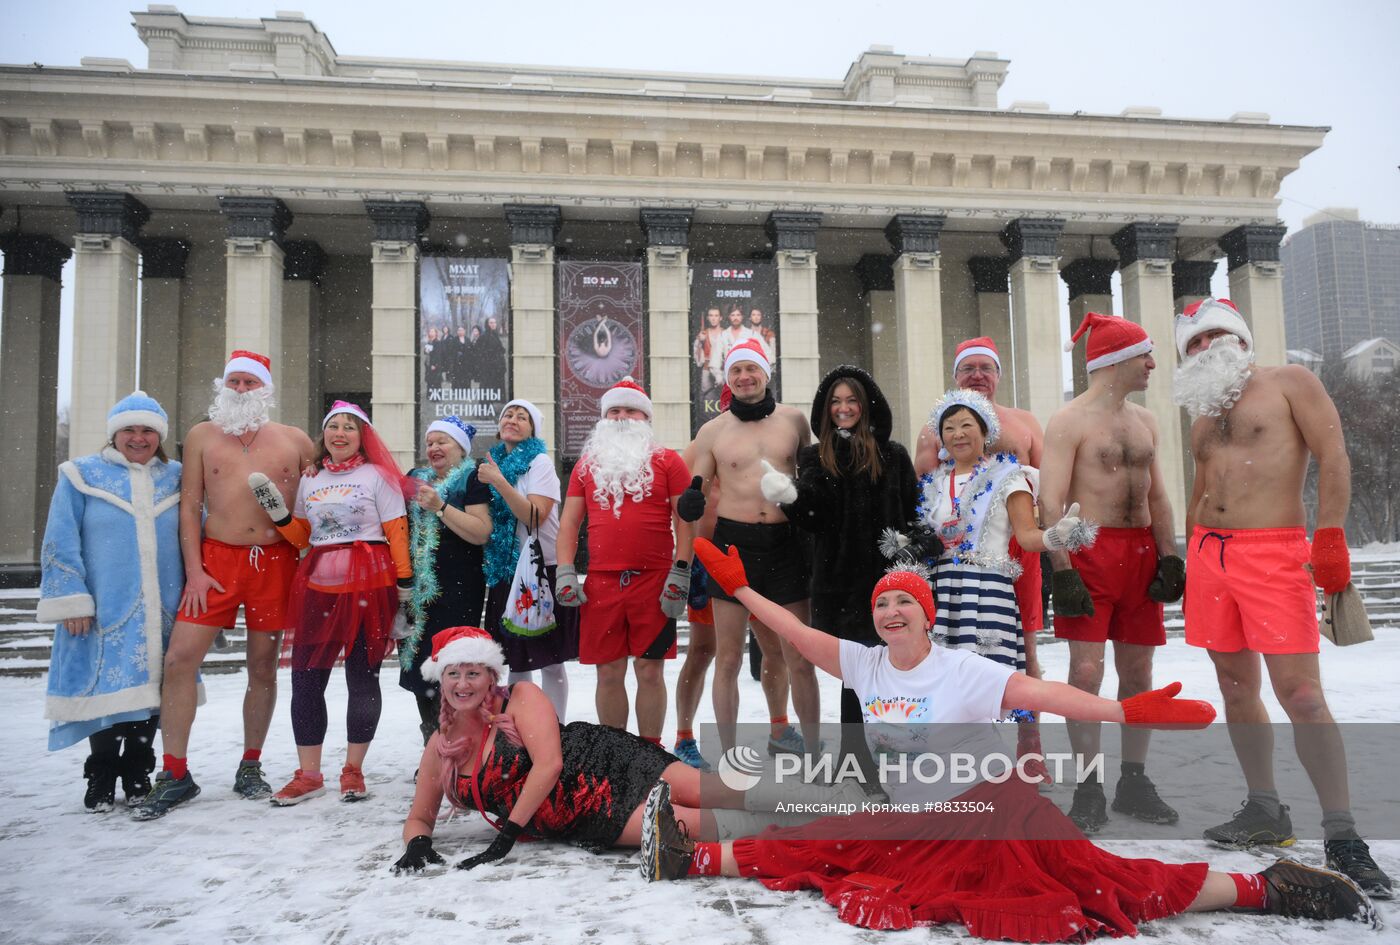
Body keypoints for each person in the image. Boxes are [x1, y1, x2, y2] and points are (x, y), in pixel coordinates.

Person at [636, 539, 1380, 939]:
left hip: (988, 812)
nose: (891, 610)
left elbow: (1040, 692)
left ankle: (1261, 888)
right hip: (912, 817)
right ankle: (689, 852)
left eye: (904, 601)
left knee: (1096, 880)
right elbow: (794, 632)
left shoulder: (961, 668)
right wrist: (740, 590)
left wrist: (1125, 712)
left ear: (926, 616)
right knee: (825, 839)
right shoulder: (861, 660)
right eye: (882, 603)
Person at [1175, 298, 1393, 898]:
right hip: (1208, 556)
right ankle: (1264, 809)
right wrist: (1184, 558)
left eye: (1215, 336)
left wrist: (1330, 537)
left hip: (1273, 552)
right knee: (1235, 687)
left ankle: (1343, 833)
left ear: (1240, 338)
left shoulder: (1289, 382)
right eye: (1193, 343)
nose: (1204, 348)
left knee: (1301, 693)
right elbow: (1202, 485)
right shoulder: (1202, 410)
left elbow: (1334, 455)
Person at [134, 351, 315, 820]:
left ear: (265, 389)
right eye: (233, 381)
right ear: (222, 386)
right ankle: (174, 772)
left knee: (262, 667)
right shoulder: (202, 436)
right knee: (178, 660)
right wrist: (194, 570)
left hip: (274, 564)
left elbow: (328, 495)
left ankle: (250, 765)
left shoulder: (294, 440)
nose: (239, 390)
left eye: (249, 383)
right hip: (215, 563)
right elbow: (189, 507)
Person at [390, 625, 726, 871]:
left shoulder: (520, 697)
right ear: (441, 678)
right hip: (589, 815)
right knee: (716, 825)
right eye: (453, 674)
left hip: (608, 762)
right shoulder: (440, 744)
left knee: (727, 796)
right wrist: (418, 844)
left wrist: (507, 836)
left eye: (473, 673)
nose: (462, 684)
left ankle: (782, 801)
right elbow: (420, 816)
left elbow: (549, 765)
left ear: (490, 676)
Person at [1039, 313, 1182, 834]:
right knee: (1085, 673)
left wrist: (1169, 556)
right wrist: (1063, 570)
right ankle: (1089, 785)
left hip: (1141, 553)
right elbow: (1049, 500)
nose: (1151, 364)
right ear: (1116, 361)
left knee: (1139, 674)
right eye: (1144, 355)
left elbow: (1159, 495)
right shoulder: (1069, 420)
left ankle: (1135, 780)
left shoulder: (1145, 421)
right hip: (1089, 551)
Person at [758, 365, 917, 781]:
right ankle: (855, 756)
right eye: (836, 402)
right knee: (855, 676)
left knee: (894, 670)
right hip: (837, 584)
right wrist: (790, 497)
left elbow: (913, 513)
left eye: (851, 401)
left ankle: (893, 748)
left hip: (889, 580)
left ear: (866, 406)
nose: (843, 408)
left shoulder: (894, 455)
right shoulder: (816, 456)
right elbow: (814, 518)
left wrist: (914, 547)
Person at [248, 402, 412, 805]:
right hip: (318, 585)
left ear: (363, 436)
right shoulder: (312, 478)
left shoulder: (377, 476)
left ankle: (353, 770)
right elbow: (304, 538)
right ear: (324, 436)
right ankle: (308, 774)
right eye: (333, 427)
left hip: (369, 586)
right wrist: (280, 514)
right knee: (305, 679)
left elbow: (397, 532)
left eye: (350, 428)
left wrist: (404, 585)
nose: (340, 433)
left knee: (362, 677)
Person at [39, 392, 183, 811]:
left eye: (148, 431)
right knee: (107, 687)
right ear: (114, 435)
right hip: (103, 606)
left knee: (155, 689)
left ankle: (138, 767)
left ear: (159, 436)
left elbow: (198, 534)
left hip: (166, 604)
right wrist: (72, 600)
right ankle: (101, 770)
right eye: (129, 430)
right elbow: (60, 540)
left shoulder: (177, 477)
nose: (138, 438)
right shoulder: (80, 475)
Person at [681, 339, 820, 755]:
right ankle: (729, 753)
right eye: (736, 371)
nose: (744, 377)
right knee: (729, 658)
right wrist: (691, 498)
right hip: (733, 550)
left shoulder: (794, 421)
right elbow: (695, 485)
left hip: (785, 547)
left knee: (797, 654)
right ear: (728, 379)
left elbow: (812, 476)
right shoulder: (713, 430)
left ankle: (807, 745)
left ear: (766, 373)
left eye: (751, 369)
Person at [557, 379, 692, 743]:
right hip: (601, 583)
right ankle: (616, 751)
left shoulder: (668, 460)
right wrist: (565, 571)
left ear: (644, 417)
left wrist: (681, 572)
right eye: (614, 411)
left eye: (630, 410)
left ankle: (650, 751)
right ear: (603, 418)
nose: (621, 418)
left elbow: (685, 519)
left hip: (655, 579)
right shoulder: (586, 465)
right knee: (609, 672)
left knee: (650, 670)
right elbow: (569, 521)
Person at [478, 399, 579, 721]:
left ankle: (555, 729)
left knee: (550, 659)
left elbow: (535, 515)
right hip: (507, 571)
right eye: (509, 414)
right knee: (515, 658)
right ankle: (520, 731)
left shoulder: (539, 463)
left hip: (540, 570)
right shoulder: (494, 463)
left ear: (533, 429)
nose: (513, 419)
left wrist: (499, 482)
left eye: (523, 417)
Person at [399, 416, 492, 742]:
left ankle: (461, 744)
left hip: (457, 590)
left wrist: (440, 507)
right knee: (419, 673)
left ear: (461, 448)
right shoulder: (414, 478)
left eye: (443, 442)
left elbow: (481, 533)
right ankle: (434, 747)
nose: (434, 448)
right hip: (415, 593)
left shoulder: (472, 477)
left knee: (454, 670)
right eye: (430, 442)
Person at [692, 305, 725, 397]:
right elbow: (698, 361)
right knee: (708, 398)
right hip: (707, 370)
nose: (713, 318)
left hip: (722, 371)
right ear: (707, 318)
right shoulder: (703, 334)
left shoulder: (726, 333)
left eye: (716, 316)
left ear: (720, 318)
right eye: (711, 315)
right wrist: (699, 341)